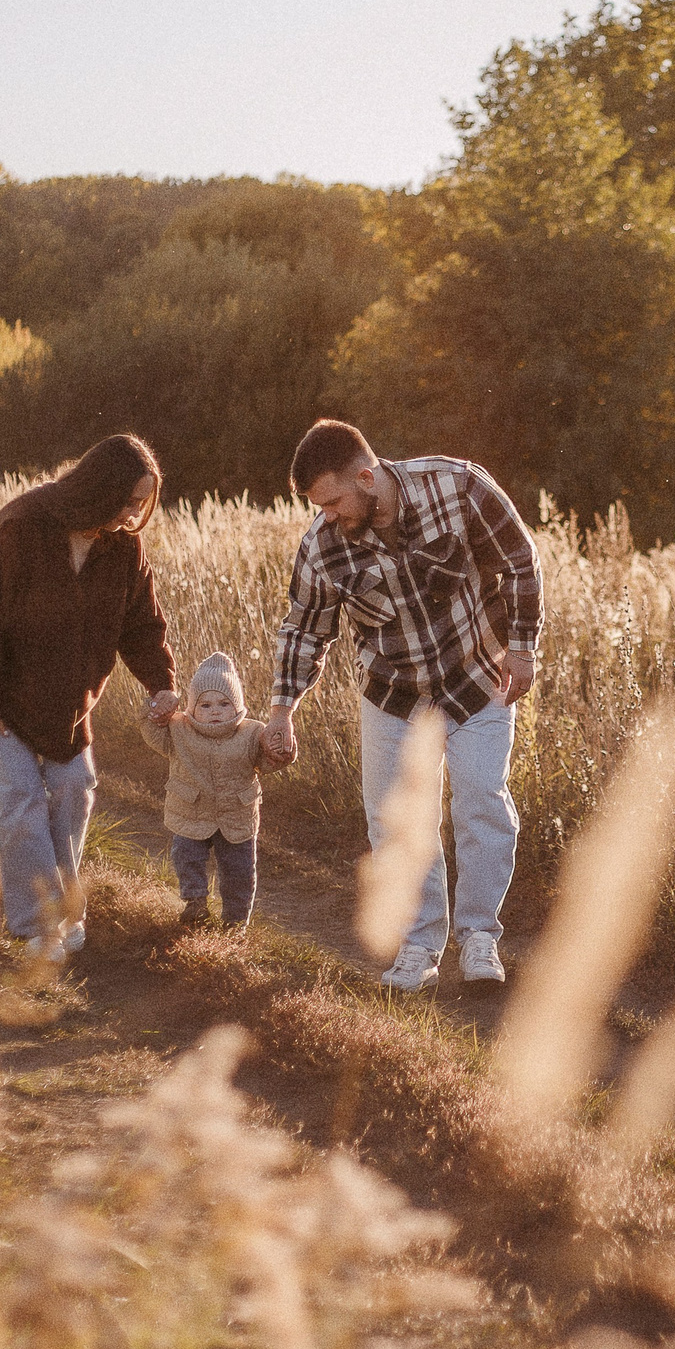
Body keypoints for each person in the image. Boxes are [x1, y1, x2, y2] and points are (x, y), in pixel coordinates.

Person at [261, 419, 539, 992]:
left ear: (366, 476)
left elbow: (519, 559)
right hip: (394, 694)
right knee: (396, 824)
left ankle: (481, 937)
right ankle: (419, 946)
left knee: (482, 805)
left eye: (334, 502)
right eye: (320, 507)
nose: (328, 515)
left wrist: (523, 649)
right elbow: (305, 631)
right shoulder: (322, 546)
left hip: (477, 679)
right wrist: (282, 709)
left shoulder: (458, 487)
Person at [0, 434, 176, 963]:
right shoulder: (22, 527)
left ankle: (66, 908)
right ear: (99, 490)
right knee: (22, 796)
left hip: (66, 693)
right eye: (128, 500)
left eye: (144, 503)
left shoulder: (124, 547)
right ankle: (38, 927)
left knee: (74, 787)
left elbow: (140, 624)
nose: (135, 514)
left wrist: (161, 682)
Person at [139, 650, 283, 928]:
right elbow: (151, 730)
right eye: (204, 705)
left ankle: (236, 922)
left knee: (240, 872)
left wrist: (282, 750)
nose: (215, 710)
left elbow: (268, 761)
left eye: (224, 703)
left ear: (238, 705)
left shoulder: (253, 732)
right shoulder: (178, 729)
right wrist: (155, 708)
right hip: (190, 811)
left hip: (236, 816)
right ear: (191, 708)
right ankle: (195, 903)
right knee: (187, 856)